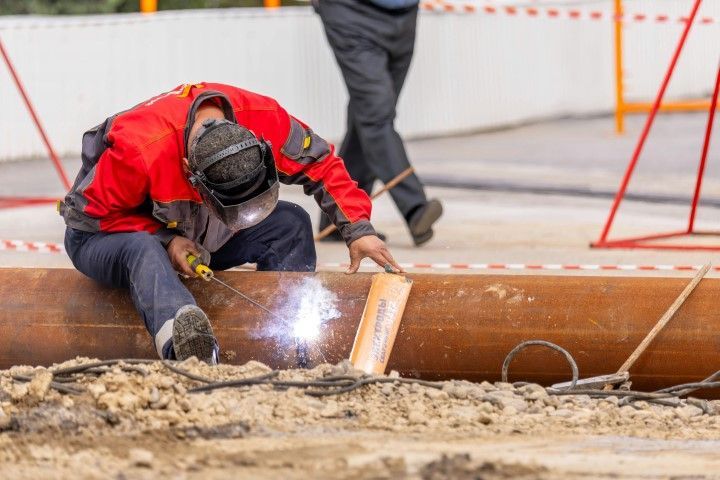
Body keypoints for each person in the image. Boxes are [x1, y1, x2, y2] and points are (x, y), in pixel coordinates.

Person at [60, 82, 402, 365]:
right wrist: (166, 239)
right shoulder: (140, 149)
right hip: (106, 238)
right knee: (142, 248)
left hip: (202, 234)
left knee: (291, 223)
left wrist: (358, 229)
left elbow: (323, 164)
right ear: (189, 171)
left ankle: (287, 346)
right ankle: (186, 350)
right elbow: (89, 219)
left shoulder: (267, 121)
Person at [315, 0, 442, 246]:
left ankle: (340, 218)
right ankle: (415, 209)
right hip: (350, 13)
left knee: (369, 115)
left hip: (403, 14)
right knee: (376, 114)